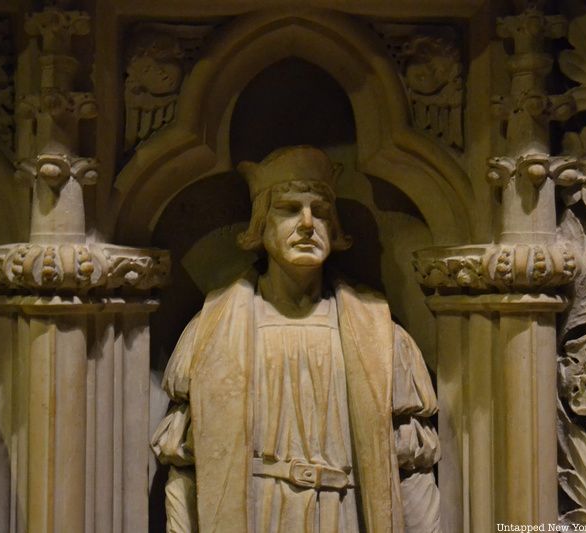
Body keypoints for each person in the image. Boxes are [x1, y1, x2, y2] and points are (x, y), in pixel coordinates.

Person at [151, 146, 440, 532]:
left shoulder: (382, 335)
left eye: (320, 211)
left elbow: (411, 469)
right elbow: (186, 468)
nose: (307, 223)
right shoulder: (210, 332)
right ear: (261, 224)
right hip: (257, 514)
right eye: (289, 209)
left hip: (344, 515)